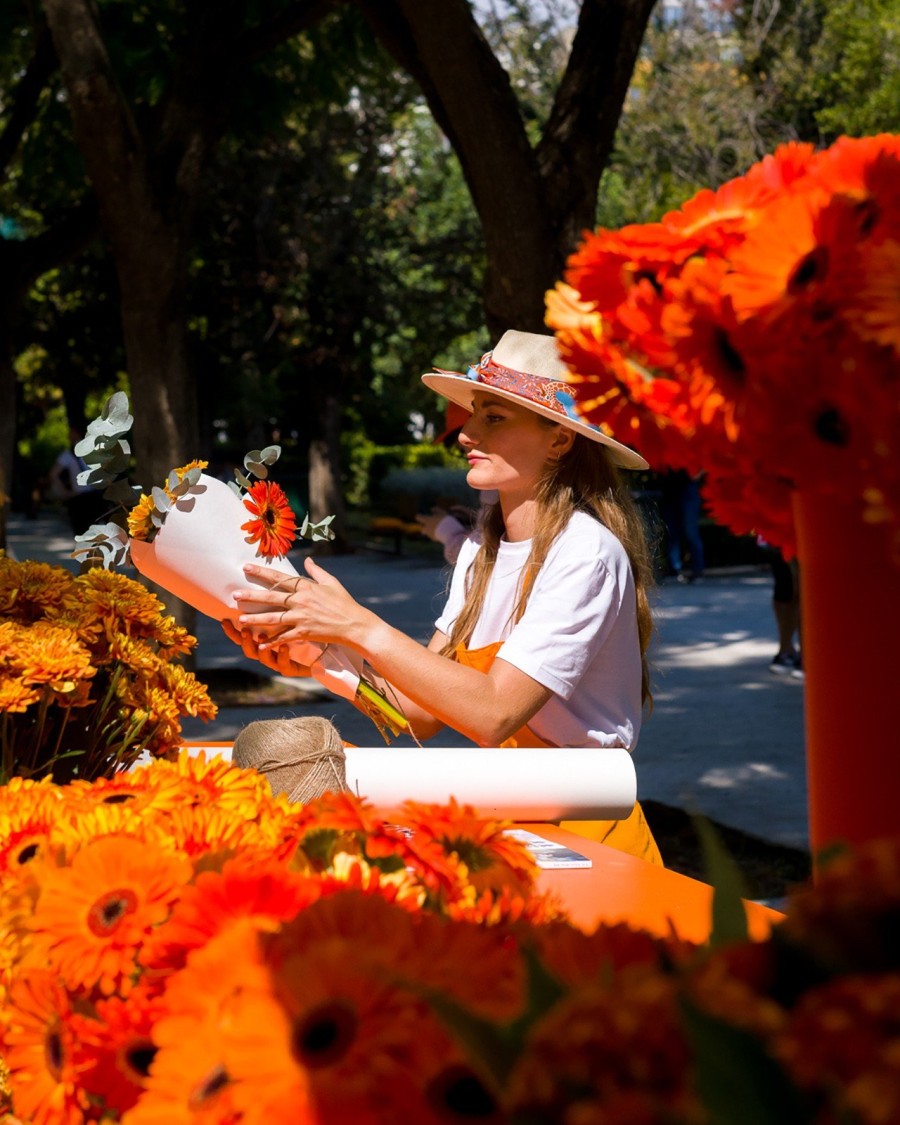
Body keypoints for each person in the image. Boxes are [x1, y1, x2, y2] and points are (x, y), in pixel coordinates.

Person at [225, 330, 663, 865]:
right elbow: (421, 714)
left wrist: (359, 626)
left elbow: (494, 712)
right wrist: (319, 655)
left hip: (592, 836)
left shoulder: (584, 551)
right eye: (474, 414)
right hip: (516, 822)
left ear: (560, 440)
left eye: (493, 417)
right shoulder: (481, 547)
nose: (466, 434)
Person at [48, 428, 109, 535]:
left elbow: (53, 474)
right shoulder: (97, 450)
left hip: (79, 498)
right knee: (96, 533)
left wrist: (64, 492)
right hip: (96, 496)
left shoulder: (68, 454)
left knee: (81, 534)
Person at [659, 468, 705, 583]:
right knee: (671, 532)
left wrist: (698, 473)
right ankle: (674, 570)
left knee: (690, 532)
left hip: (688, 487)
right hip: (669, 488)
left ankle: (697, 570)